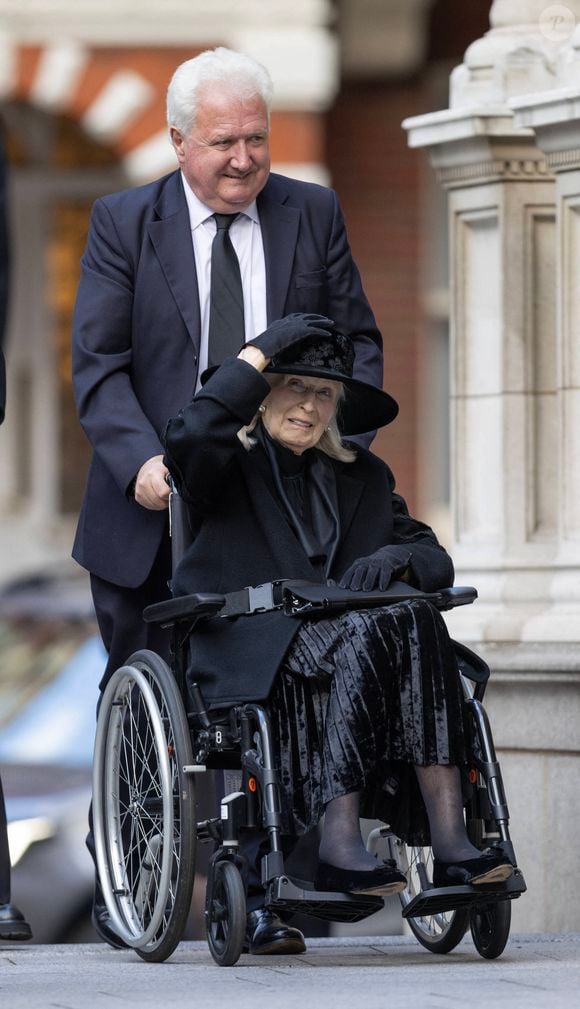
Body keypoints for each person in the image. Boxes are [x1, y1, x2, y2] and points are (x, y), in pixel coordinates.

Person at [71, 47, 383, 949]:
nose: (244, 158)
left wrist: (335, 454)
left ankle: (273, 887)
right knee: (149, 700)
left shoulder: (311, 212)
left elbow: (357, 347)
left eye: (256, 139)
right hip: (150, 511)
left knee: (276, 692)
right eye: (223, 142)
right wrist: (138, 463)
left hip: (278, 515)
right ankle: (132, 869)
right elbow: (100, 365)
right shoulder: (122, 222)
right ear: (178, 143)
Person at [162, 316, 515, 955]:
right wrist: (258, 353)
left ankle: (453, 840)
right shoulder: (223, 468)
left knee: (410, 613)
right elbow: (191, 433)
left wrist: (399, 563)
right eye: (292, 386)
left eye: (324, 393)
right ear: (261, 393)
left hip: (362, 652)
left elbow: (433, 557)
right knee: (380, 623)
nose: (308, 404)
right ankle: (338, 840)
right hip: (259, 644)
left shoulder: (364, 476)